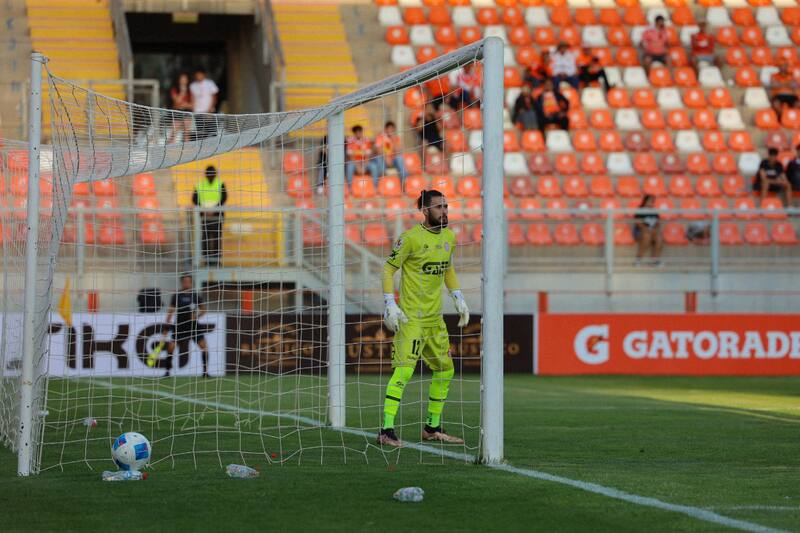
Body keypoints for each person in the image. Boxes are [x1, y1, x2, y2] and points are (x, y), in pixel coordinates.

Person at [378, 189, 469, 447]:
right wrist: (390, 304)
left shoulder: (449, 237)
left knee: (446, 370)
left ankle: (432, 428)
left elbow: (447, 268)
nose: (444, 212)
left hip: (435, 320)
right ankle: (386, 431)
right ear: (425, 211)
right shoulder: (409, 239)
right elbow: (387, 270)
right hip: (412, 320)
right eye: (439, 207)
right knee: (404, 373)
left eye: (446, 207)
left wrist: (458, 296)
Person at [162, 273, 209, 378]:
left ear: (191, 282)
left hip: (193, 325)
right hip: (180, 325)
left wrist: (196, 316)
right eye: (185, 281)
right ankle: (167, 372)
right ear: (182, 282)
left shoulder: (196, 295)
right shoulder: (177, 295)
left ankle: (205, 372)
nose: (187, 283)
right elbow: (170, 312)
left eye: (188, 281)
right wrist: (166, 327)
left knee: (204, 347)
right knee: (171, 348)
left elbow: (203, 310)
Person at [192, 165, 228, 266]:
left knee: (216, 238)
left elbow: (224, 198)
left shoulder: (220, 184)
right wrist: (204, 210)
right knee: (206, 238)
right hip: (204, 217)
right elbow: (194, 199)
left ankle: (216, 260)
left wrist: (214, 209)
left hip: (216, 216)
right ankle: (207, 260)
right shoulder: (200, 185)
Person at [368, 121, 407, 187]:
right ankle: (382, 180)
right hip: (383, 160)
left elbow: (398, 151)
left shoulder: (396, 138)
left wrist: (393, 140)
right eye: (389, 129)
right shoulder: (380, 137)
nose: (390, 131)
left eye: (392, 129)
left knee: (399, 158)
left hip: (392, 160)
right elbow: (378, 151)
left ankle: (404, 181)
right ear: (385, 129)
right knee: (379, 158)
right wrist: (386, 157)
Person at [189, 68, 219, 139]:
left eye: (200, 74)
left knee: (212, 132)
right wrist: (192, 110)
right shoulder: (192, 85)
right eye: (197, 75)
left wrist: (211, 109)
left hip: (209, 112)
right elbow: (192, 98)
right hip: (198, 112)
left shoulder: (210, 83)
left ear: (203, 74)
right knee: (200, 133)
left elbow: (215, 97)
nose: (198, 76)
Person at [634, 195, 663, 266]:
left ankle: (655, 260)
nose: (651, 202)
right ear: (645, 201)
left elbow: (657, 223)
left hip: (652, 231)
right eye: (650, 200)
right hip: (640, 230)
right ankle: (638, 259)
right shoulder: (640, 210)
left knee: (659, 239)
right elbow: (638, 223)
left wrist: (655, 230)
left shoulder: (654, 211)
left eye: (652, 201)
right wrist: (646, 230)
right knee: (647, 237)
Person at [168, 73, 193, 143]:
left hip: (187, 112)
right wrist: (182, 92)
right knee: (174, 132)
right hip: (177, 112)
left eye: (185, 79)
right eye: (182, 79)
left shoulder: (190, 91)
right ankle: (170, 148)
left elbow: (192, 105)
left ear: (187, 81)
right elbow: (176, 101)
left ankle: (186, 149)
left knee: (187, 132)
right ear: (179, 80)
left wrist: (184, 105)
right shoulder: (174, 90)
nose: (183, 81)